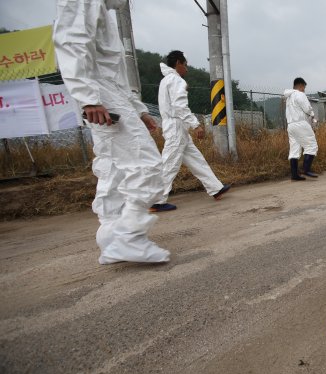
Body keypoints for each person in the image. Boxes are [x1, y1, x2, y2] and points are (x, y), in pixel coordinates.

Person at [53, 0, 170, 264]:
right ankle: (128, 237)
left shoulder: (102, 8)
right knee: (146, 162)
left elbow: (115, 71)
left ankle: (109, 237)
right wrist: (88, 97)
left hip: (106, 91)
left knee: (113, 167)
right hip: (99, 92)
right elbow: (70, 40)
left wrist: (138, 108)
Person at [150, 51, 231, 212]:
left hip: (175, 126)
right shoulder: (176, 80)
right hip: (176, 126)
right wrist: (196, 125)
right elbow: (180, 106)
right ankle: (156, 201)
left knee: (196, 160)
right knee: (170, 163)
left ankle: (215, 188)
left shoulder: (166, 80)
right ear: (178, 63)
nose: (187, 69)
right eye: (185, 65)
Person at [283, 77, 319, 181]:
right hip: (301, 124)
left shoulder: (289, 97)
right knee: (311, 145)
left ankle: (294, 175)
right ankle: (306, 170)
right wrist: (312, 116)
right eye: (304, 87)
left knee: (294, 149)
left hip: (291, 125)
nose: (304, 90)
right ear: (300, 85)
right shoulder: (300, 94)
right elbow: (307, 108)